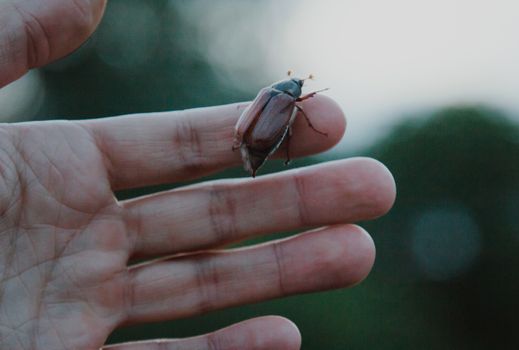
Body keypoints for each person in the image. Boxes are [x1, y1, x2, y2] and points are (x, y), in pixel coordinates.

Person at [0, 1, 396, 349]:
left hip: (251, 134)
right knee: (287, 135)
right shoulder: (289, 101)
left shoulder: (272, 95)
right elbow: (278, 122)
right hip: (256, 137)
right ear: (296, 91)